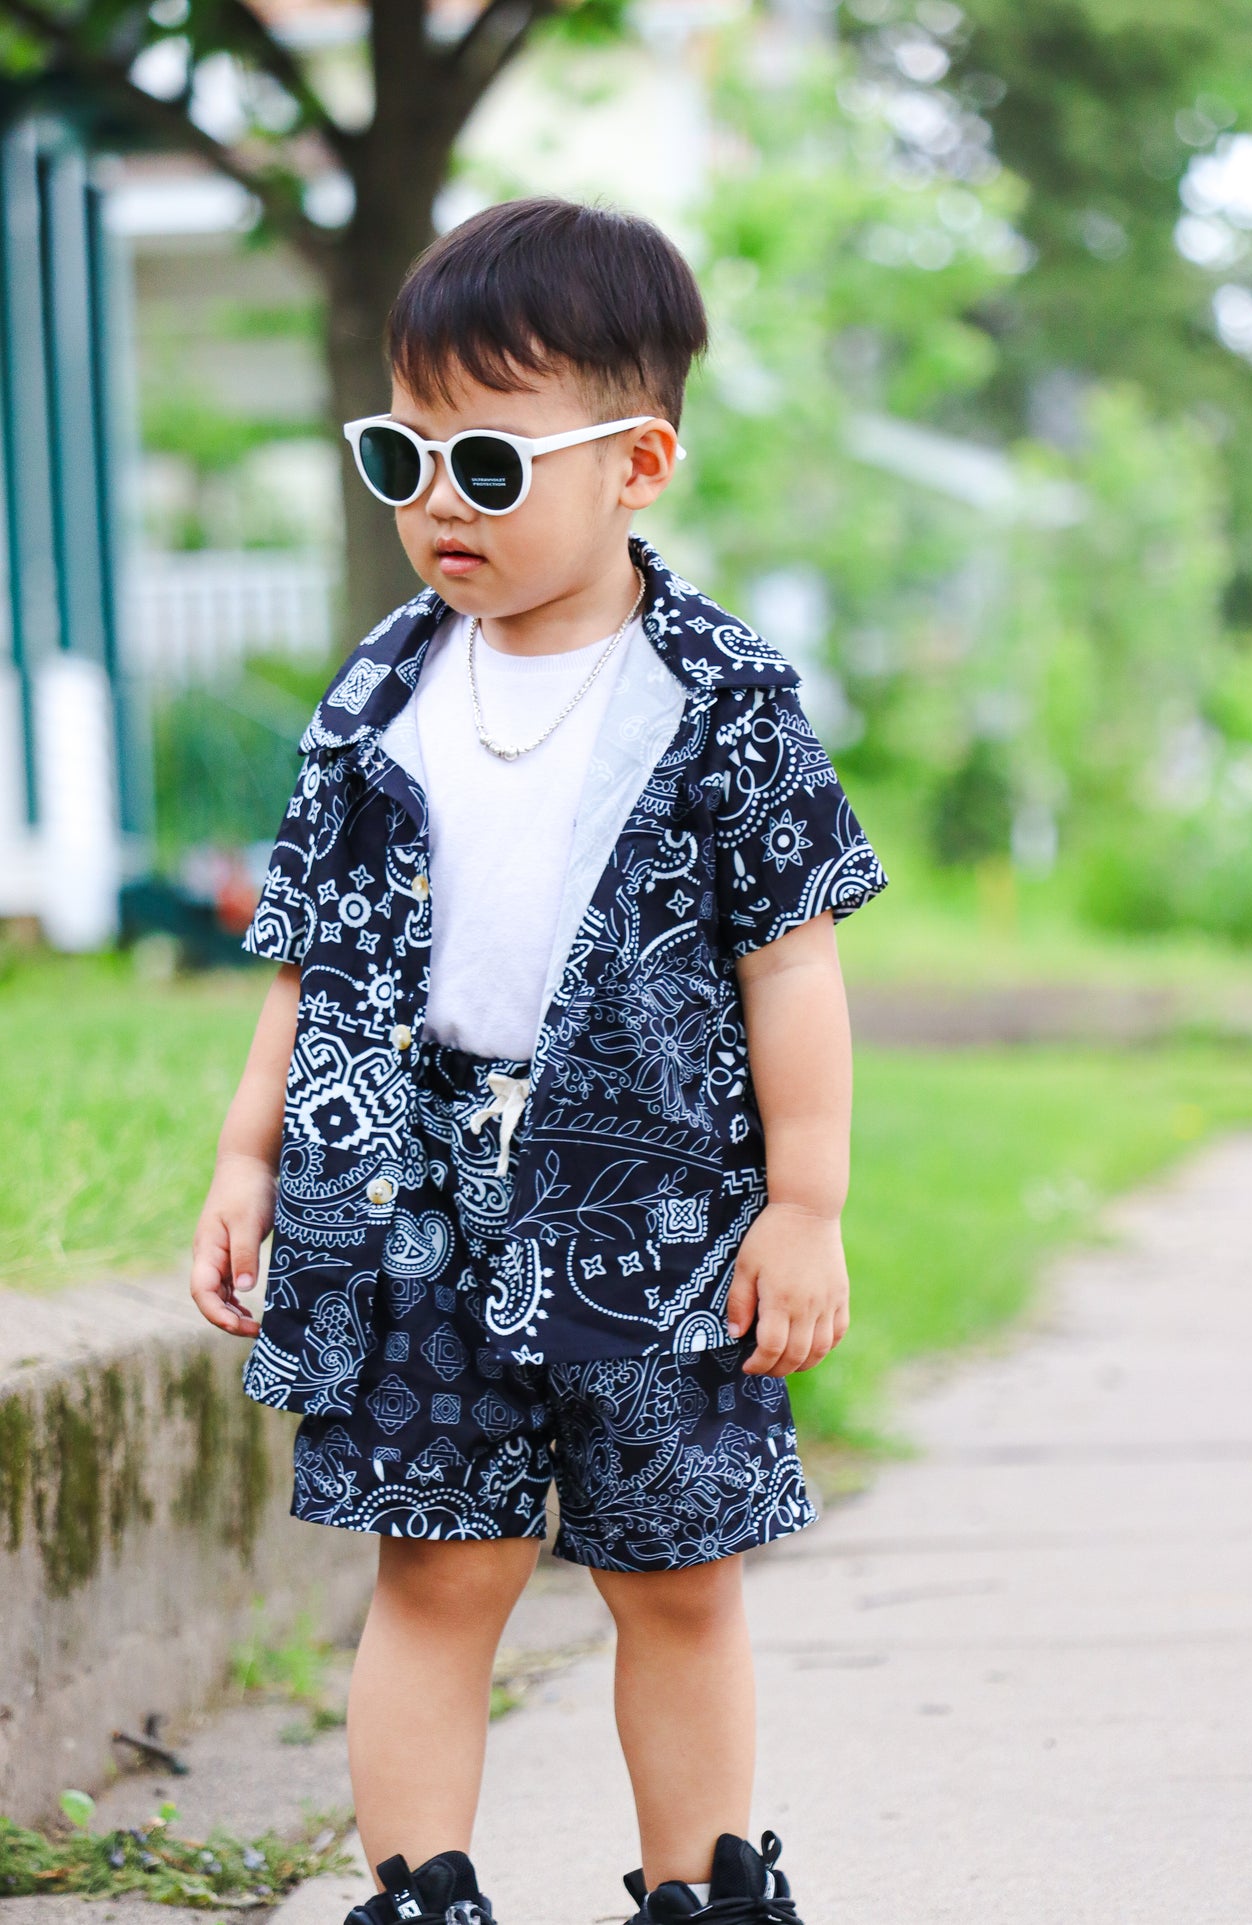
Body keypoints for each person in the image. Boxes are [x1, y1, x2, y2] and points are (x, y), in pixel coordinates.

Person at [190, 197, 886, 1925]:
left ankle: (698, 1885)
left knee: (676, 1574)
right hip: (404, 1197)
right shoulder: (376, 692)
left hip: (658, 1213)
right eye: (400, 454)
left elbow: (789, 957)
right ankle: (421, 1892)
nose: (438, 501)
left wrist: (804, 1202)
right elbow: (311, 956)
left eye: (488, 465)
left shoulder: (719, 697)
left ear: (637, 460)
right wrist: (246, 1162)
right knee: (435, 1568)